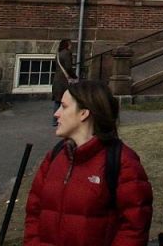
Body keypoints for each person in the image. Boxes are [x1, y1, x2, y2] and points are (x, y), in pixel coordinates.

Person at [24, 80, 153, 246]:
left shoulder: (122, 162)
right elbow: (34, 213)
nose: (56, 113)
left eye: (63, 106)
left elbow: (134, 227)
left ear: (84, 113)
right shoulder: (54, 157)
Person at [52, 38, 76, 126]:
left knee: (57, 101)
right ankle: (67, 119)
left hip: (57, 79)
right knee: (69, 99)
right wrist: (74, 76)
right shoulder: (67, 53)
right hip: (64, 80)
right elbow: (68, 67)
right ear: (67, 45)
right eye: (70, 44)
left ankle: (55, 120)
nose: (71, 46)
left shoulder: (58, 54)